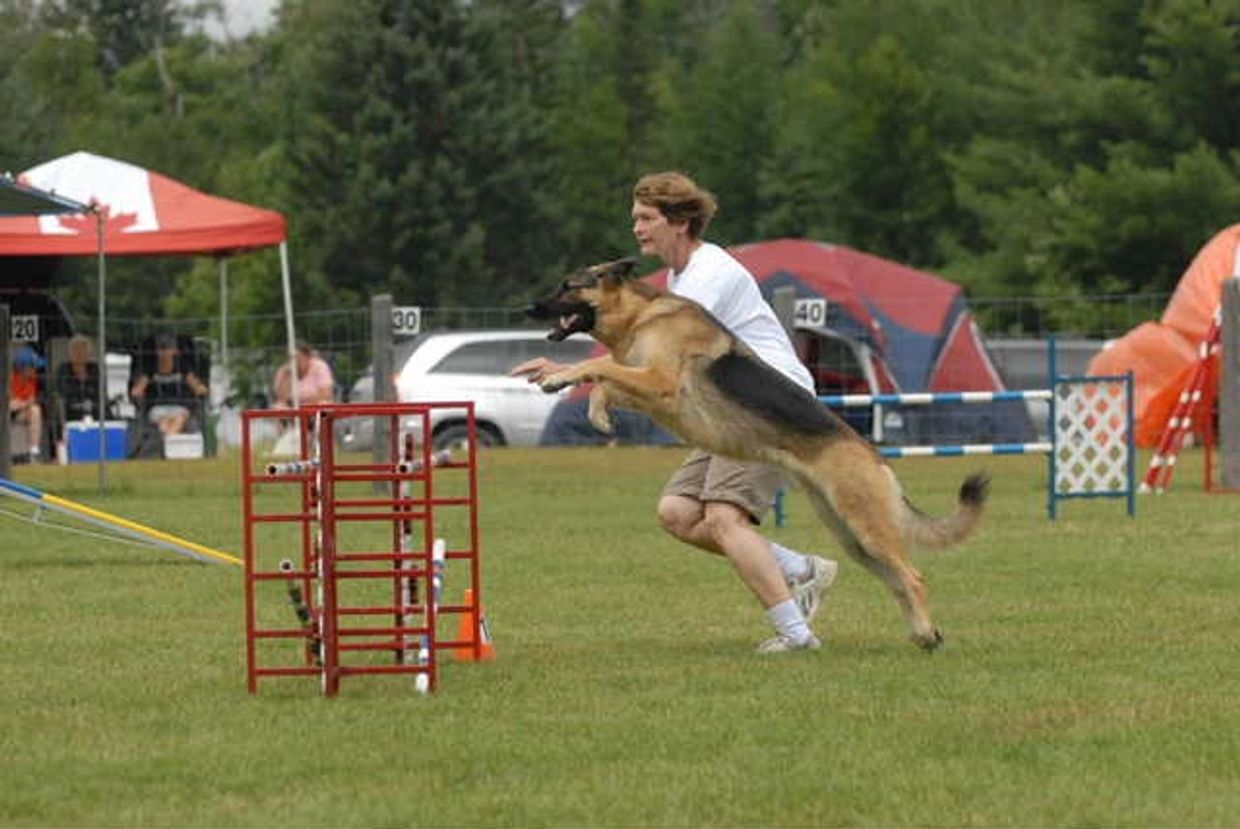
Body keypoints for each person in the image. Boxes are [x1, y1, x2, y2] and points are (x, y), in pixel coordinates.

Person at [513, 171, 839, 653]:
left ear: (680, 222)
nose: (637, 229)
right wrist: (577, 368)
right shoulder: (678, 278)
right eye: (635, 219)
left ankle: (797, 635)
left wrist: (585, 372)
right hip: (725, 405)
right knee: (678, 513)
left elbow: (664, 365)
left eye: (646, 219)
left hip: (768, 402)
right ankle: (799, 569)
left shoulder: (711, 273)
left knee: (725, 517)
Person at [130, 333, 209, 436]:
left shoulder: (182, 369)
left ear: (175, 351)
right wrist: (138, 391)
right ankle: (172, 445)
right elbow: (137, 389)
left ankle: (169, 443)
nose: (164, 353)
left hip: (180, 408)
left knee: (179, 419)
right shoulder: (151, 370)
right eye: (161, 349)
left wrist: (201, 389)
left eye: (167, 349)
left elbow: (197, 386)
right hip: (158, 408)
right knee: (163, 422)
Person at [272, 341, 336, 408]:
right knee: (279, 407)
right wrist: (286, 377)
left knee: (323, 404)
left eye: (298, 358)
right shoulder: (285, 371)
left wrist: (302, 404)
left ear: (308, 358)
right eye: (291, 359)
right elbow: (281, 398)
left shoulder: (320, 367)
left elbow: (325, 393)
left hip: (315, 407)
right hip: (292, 408)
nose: (294, 362)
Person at [9, 344, 46, 460]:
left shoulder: (33, 379)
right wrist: (22, 403)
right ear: (23, 368)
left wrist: (24, 404)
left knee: (36, 411)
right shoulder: (10, 378)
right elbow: (10, 404)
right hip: (7, 412)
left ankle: (34, 451)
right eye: (32, 367)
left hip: (21, 411)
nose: (35, 370)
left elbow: (31, 400)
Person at [56, 334, 102, 423]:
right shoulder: (63, 369)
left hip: (93, 408)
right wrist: (80, 403)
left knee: (106, 414)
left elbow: (99, 391)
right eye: (76, 350)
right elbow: (62, 391)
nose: (79, 353)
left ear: (89, 353)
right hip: (71, 410)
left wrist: (90, 402)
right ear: (70, 353)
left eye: (83, 350)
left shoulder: (94, 368)